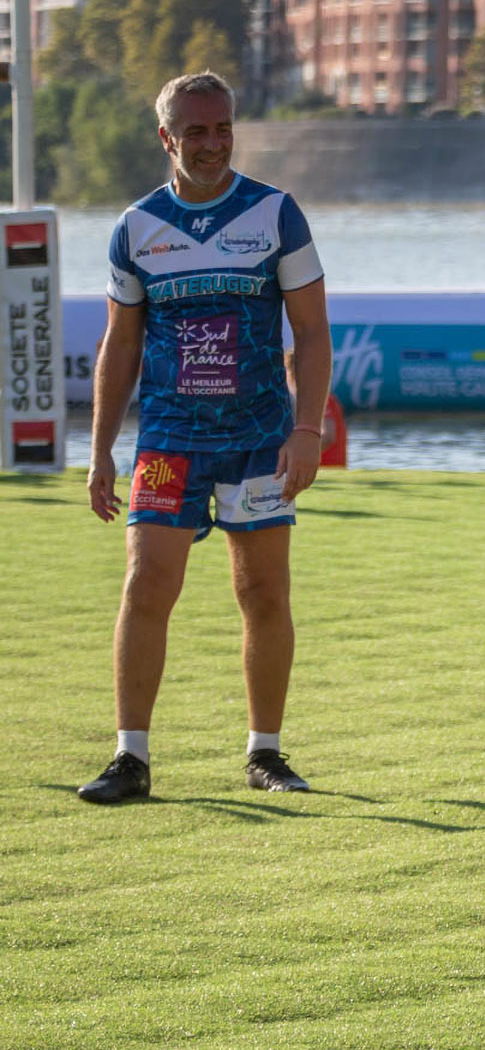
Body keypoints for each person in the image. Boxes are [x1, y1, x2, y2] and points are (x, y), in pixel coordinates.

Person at [77, 71, 332, 803]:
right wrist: (100, 450)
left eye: (223, 128)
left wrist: (307, 428)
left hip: (259, 440)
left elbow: (312, 332)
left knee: (263, 592)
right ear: (167, 138)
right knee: (146, 584)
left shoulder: (276, 214)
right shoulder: (137, 226)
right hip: (169, 442)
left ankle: (266, 754)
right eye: (196, 131)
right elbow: (120, 346)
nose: (214, 143)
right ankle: (130, 758)